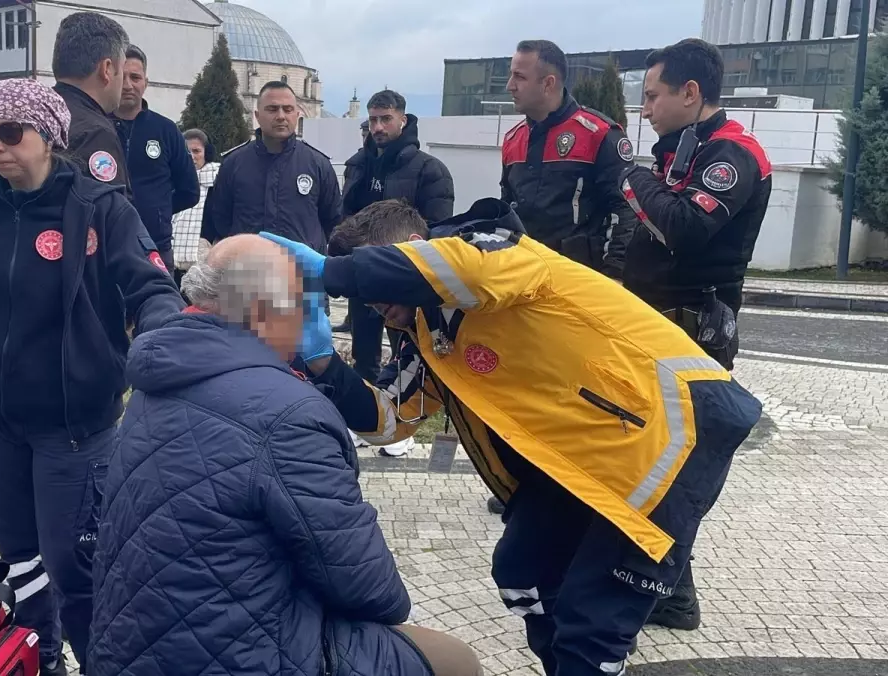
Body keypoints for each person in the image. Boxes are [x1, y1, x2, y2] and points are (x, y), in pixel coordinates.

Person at [262, 197, 764, 676]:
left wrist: (329, 274)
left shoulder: (495, 248)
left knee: (592, 626)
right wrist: (326, 364)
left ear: (415, 247)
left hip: (668, 433)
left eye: (376, 286)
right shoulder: (428, 328)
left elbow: (471, 272)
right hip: (580, 460)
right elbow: (393, 419)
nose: (373, 307)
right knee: (523, 570)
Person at [89, 234, 483, 676]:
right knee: (456, 661)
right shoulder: (288, 412)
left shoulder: (150, 387)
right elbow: (372, 589)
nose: (306, 319)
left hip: (130, 651)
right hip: (239, 656)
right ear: (264, 310)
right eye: (302, 303)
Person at [0, 79, 184, 676]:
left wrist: (164, 346)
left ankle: (102, 662)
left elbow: (154, 288)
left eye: (10, 132)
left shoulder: (100, 208)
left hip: (72, 426)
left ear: (49, 136)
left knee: (73, 563)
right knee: (21, 557)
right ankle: (38, 659)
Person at [619, 38, 772, 632]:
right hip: (654, 328)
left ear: (690, 93)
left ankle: (672, 593)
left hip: (697, 337)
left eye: (653, 96)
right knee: (647, 458)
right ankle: (665, 587)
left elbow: (684, 227)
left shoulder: (733, 154)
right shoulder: (676, 152)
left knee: (679, 466)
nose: (646, 108)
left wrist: (632, 180)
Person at [339, 90, 454, 457]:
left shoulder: (428, 169)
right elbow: (346, 218)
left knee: (407, 347)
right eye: (372, 119)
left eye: (385, 119)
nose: (378, 127)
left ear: (403, 119)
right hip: (363, 276)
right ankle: (367, 415)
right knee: (364, 347)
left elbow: (437, 228)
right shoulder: (357, 164)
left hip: (405, 282)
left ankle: (403, 427)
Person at [502, 39, 638, 278]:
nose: (509, 86)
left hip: (581, 280)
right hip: (523, 277)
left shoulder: (600, 134)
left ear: (548, 83)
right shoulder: (513, 139)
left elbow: (625, 210)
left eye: (519, 77)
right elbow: (507, 209)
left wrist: (614, 276)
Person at [201, 81, 342, 254]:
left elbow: (333, 222)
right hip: (247, 271)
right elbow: (219, 220)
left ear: (297, 114)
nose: (281, 116)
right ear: (257, 115)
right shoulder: (233, 163)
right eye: (272, 109)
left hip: (303, 273)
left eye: (288, 109)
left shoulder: (318, 164)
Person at [112, 45, 199, 270]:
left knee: (159, 305)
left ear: (145, 83)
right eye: (122, 76)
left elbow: (189, 191)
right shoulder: (97, 127)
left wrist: (158, 210)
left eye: (135, 77)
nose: (128, 85)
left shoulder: (166, 130)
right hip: (106, 245)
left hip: (155, 247)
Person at [52, 11, 131, 191]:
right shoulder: (95, 134)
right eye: (122, 70)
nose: (124, 84)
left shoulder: (35, 117)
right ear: (107, 69)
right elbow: (109, 213)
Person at [170, 128, 220, 286]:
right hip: (172, 258)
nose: (192, 156)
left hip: (202, 257)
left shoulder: (218, 182)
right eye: (187, 151)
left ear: (206, 153)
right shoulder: (171, 180)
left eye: (196, 151)